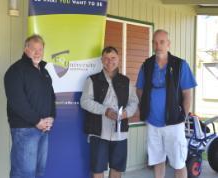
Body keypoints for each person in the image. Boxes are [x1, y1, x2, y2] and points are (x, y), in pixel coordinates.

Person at [136, 29, 197, 178]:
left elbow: (187, 94)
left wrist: (182, 116)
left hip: (174, 123)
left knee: (178, 163)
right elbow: (139, 89)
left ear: (168, 44)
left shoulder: (180, 65)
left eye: (162, 42)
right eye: (155, 42)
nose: (158, 46)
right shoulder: (147, 65)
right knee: (158, 161)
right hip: (153, 123)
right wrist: (146, 107)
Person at [80, 46, 138, 178]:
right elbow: (84, 101)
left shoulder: (126, 81)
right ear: (101, 60)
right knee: (98, 169)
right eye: (106, 58)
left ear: (118, 59)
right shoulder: (92, 80)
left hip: (120, 133)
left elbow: (134, 102)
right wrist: (105, 110)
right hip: (99, 132)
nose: (109, 61)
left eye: (113, 58)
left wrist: (126, 113)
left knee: (117, 167)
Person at [4, 34, 56, 178]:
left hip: (44, 129)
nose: (38, 52)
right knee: (23, 174)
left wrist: (51, 117)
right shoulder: (16, 71)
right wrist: (37, 121)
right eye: (34, 49)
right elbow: (17, 102)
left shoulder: (44, 72)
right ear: (26, 49)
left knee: (39, 172)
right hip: (25, 130)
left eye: (41, 49)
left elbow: (51, 97)